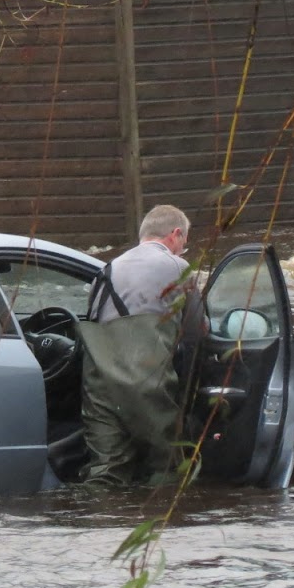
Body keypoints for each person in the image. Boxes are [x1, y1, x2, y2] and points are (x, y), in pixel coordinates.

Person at [78, 204, 205, 487]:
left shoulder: (108, 269)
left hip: (99, 380)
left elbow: (94, 319)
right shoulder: (178, 266)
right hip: (146, 379)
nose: (183, 249)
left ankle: (97, 523)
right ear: (175, 234)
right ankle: (169, 526)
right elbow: (197, 332)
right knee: (169, 466)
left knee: (106, 468)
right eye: (184, 241)